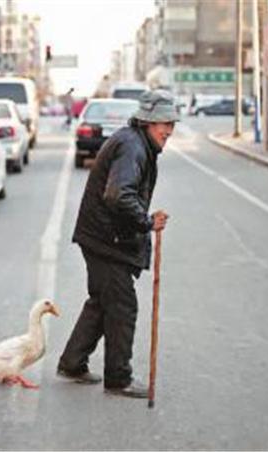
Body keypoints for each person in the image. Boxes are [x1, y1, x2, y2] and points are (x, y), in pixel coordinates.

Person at [56, 90, 178, 398]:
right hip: (107, 239)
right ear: (147, 122)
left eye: (171, 123)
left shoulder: (136, 142)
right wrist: (147, 221)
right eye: (163, 123)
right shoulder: (133, 147)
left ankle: (72, 363)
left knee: (102, 301)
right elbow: (118, 194)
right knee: (122, 306)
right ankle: (118, 378)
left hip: (101, 236)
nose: (168, 130)